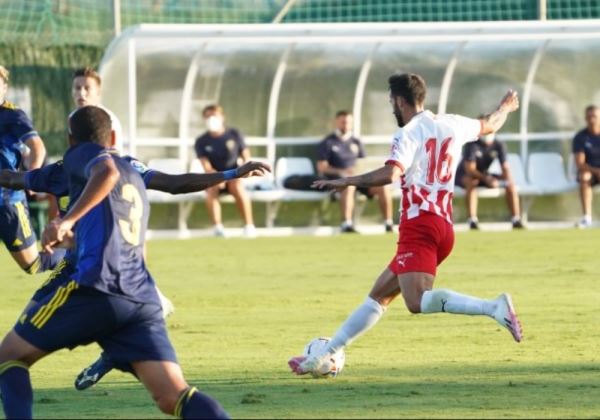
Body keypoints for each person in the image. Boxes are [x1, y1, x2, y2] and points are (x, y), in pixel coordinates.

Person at [0, 120, 271, 392]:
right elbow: (176, 184)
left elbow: (173, 183)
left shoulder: (109, 166)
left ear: (71, 139)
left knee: (17, 346)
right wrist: (231, 173)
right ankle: (118, 352)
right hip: (88, 265)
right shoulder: (84, 169)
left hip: (99, 268)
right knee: (26, 329)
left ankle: (114, 353)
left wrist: (231, 173)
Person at [288, 73, 523, 377]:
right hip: (443, 226)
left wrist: (347, 181)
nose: (392, 109)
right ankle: (328, 352)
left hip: (419, 226)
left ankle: (493, 308)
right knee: (379, 297)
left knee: (416, 301)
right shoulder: (452, 122)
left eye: (391, 103)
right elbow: (490, 123)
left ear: (400, 101)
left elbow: (391, 175)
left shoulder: (408, 132)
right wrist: (505, 106)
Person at [0, 64, 64, 275]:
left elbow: (37, 147)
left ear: (5, 86)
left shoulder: (13, 116)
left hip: (7, 200)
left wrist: (32, 178)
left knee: (32, 264)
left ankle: (72, 253)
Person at [317, 110, 393, 233]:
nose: (345, 125)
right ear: (336, 122)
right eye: (343, 122)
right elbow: (322, 167)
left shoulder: (356, 142)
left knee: (382, 187)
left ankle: (388, 223)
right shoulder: (327, 142)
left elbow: (363, 162)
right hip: (339, 181)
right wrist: (343, 172)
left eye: (348, 122)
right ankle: (346, 224)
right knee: (349, 186)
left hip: (359, 179)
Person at [195, 104, 256, 237]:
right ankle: (218, 228)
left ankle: (249, 226)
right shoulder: (201, 141)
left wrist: (245, 171)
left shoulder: (234, 134)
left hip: (235, 176)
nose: (211, 119)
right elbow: (206, 166)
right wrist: (218, 177)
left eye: (214, 115)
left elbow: (246, 157)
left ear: (222, 117)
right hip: (215, 177)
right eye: (207, 116)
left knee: (237, 187)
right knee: (211, 189)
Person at [455, 130, 524, 230]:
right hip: (465, 176)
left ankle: (516, 219)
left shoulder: (499, 145)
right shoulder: (472, 145)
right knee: (472, 183)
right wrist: (487, 179)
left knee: (510, 185)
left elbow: (505, 167)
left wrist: (507, 180)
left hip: (484, 175)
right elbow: (470, 170)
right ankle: (472, 220)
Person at [71, 67, 124, 151]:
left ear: (98, 92)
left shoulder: (108, 119)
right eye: (77, 88)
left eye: (87, 88)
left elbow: (116, 154)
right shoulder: (72, 118)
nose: (81, 93)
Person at [573, 105, 600, 229]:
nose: (592, 119)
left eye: (594, 116)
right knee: (584, 177)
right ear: (585, 118)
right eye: (589, 117)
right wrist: (596, 171)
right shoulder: (580, 137)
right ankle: (587, 217)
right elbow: (580, 163)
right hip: (590, 171)